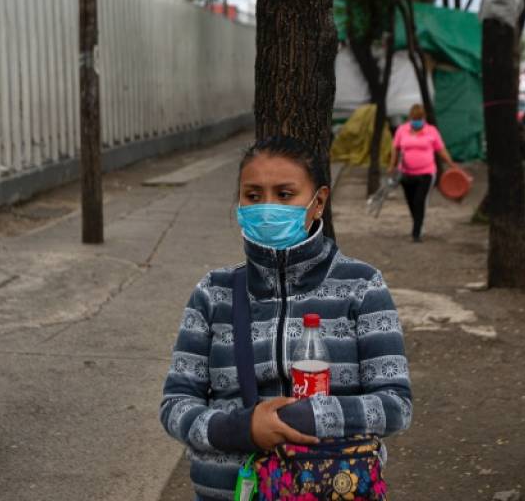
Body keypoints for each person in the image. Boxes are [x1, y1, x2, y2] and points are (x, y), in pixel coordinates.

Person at [160, 136, 413, 501]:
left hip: (331, 488)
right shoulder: (212, 293)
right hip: (228, 492)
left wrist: (300, 418)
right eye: (253, 195)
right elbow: (176, 405)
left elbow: (394, 405)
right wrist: (244, 428)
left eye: (284, 194)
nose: (267, 208)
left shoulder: (362, 287)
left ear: (318, 202)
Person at [387, 104, 457, 242]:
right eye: (414, 119)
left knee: (419, 201)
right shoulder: (402, 130)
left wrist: (452, 164)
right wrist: (392, 165)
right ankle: (418, 223)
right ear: (410, 118)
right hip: (405, 173)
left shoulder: (432, 131)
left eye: (419, 119)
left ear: (424, 118)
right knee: (411, 201)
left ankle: (416, 233)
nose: (416, 121)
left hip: (426, 173)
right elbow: (395, 148)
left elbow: (441, 150)